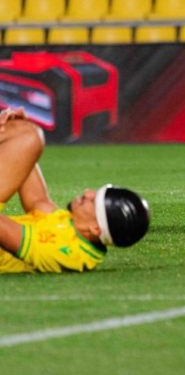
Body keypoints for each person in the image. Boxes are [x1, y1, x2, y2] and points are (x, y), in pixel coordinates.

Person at [0, 107, 150, 274]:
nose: (88, 193)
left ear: (95, 228)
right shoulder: (75, 231)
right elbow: (37, 201)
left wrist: (26, 140)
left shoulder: (63, 252)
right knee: (25, 133)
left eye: (94, 201)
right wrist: (20, 133)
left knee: (29, 137)